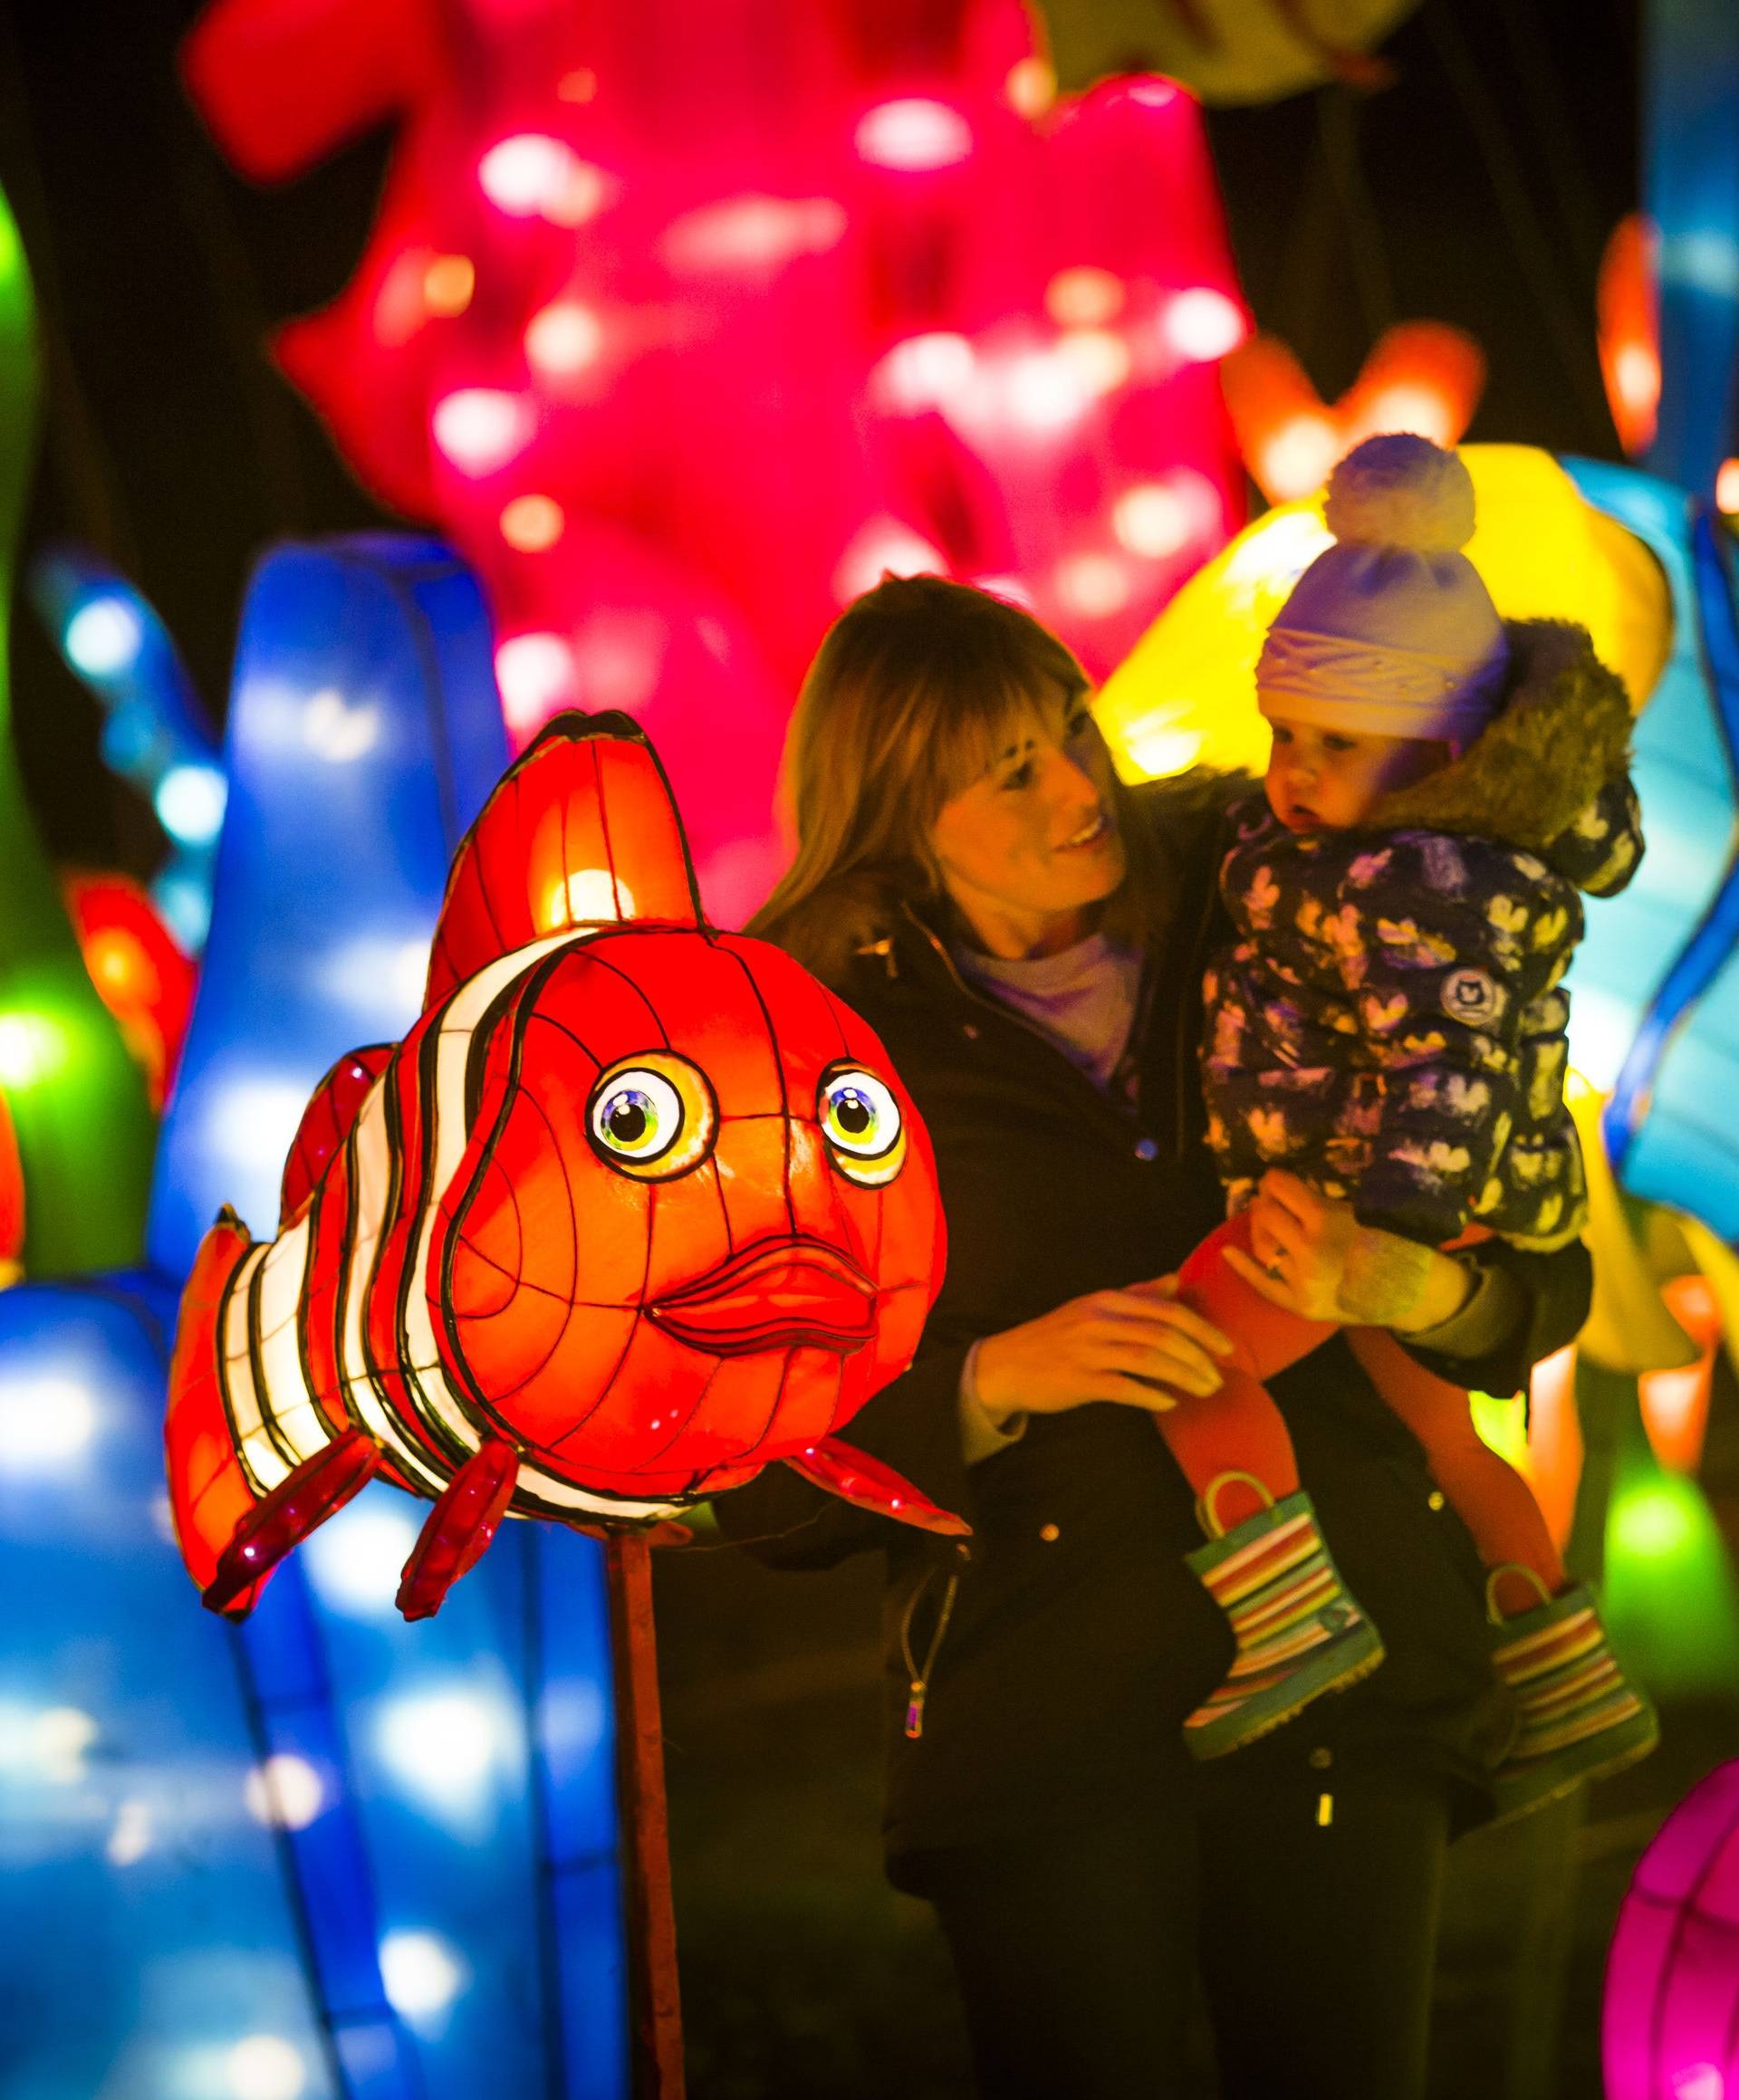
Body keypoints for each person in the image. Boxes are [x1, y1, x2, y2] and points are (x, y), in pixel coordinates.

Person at [715, 569, 1595, 2099]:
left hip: (1357, 1685)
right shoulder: (819, 1063)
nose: (1082, 786)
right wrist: (988, 1384)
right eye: (1014, 771)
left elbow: (1540, 1273)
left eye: (1072, 726)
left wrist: (1421, 1295)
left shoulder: (1284, 898)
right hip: (1047, 1723)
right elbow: (755, 1474)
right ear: (899, 813)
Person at [1138, 434, 1656, 1813]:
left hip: (1360, 1203)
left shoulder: (1416, 881)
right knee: (1447, 1436)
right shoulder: (1382, 853)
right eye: (1283, 737)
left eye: (1336, 745)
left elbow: (1449, 1066)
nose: (1293, 773)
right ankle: (1561, 1667)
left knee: (1186, 1359)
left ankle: (1286, 1620)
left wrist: (1390, 1237)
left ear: (1437, 750)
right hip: (1384, 1203)